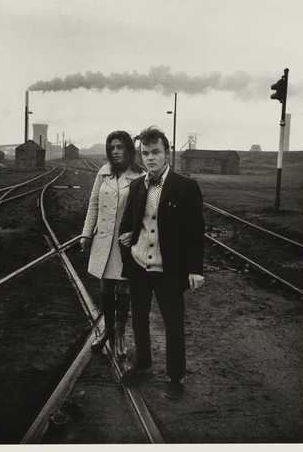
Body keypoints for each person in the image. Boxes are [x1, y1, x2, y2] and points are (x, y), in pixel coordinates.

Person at [119, 126, 205, 400]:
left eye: (156, 152)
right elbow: (130, 220)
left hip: (169, 271)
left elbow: (195, 231)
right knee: (139, 320)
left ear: (167, 153)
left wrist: (195, 269)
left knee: (173, 324)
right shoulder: (136, 185)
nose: (150, 158)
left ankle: (175, 376)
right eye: (145, 153)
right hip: (139, 266)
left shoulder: (186, 187)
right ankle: (143, 364)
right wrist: (127, 240)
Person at [80, 131, 144, 357]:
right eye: (111, 148)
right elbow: (93, 205)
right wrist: (86, 234)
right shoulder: (103, 173)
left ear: (129, 150)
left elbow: (145, 214)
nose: (115, 151)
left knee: (124, 289)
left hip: (126, 244)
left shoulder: (139, 176)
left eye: (120, 147)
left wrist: (135, 236)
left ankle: (120, 334)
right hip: (103, 240)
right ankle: (107, 330)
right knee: (106, 288)